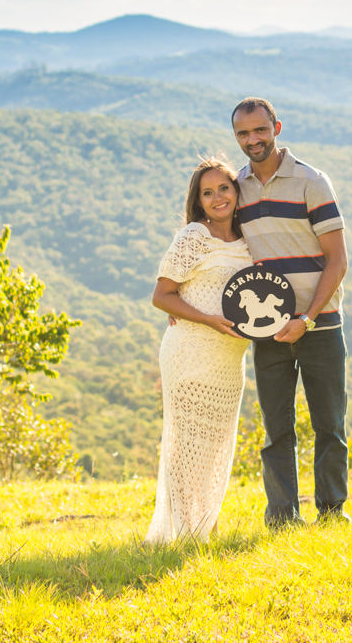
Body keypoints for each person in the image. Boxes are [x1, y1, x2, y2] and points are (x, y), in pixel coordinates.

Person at [231, 97, 350, 526]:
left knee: (329, 425)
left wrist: (308, 319)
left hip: (319, 325)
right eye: (243, 133)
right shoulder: (235, 188)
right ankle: (282, 518)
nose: (252, 140)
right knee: (276, 430)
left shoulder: (311, 181)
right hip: (267, 327)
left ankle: (333, 514)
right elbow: (217, 250)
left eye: (260, 130)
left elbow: (338, 260)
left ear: (276, 128)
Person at [145, 157, 253, 544]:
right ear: (199, 201)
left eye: (224, 188)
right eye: (207, 193)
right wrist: (206, 318)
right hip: (190, 352)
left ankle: (203, 524)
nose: (217, 197)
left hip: (229, 360)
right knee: (189, 444)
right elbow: (162, 295)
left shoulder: (248, 238)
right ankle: (193, 532)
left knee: (215, 444)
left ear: (237, 190)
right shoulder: (193, 236)